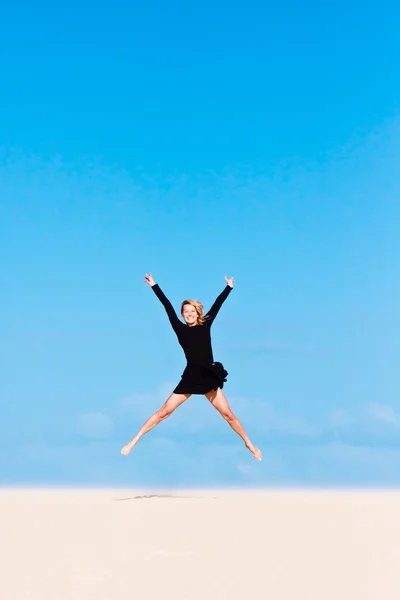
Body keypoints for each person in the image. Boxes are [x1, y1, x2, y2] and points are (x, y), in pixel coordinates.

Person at [120, 273, 262, 460]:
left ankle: (248, 443)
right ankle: (134, 440)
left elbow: (218, 304)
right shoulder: (179, 328)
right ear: (182, 315)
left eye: (192, 311)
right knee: (164, 412)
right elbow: (167, 306)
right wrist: (154, 285)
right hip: (191, 376)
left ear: (198, 313)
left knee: (228, 415)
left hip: (208, 375)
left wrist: (229, 287)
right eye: (185, 312)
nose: (189, 314)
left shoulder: (206, 324)